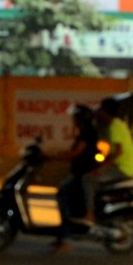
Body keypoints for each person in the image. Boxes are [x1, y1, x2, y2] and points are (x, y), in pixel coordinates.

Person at [51, 103, 103, 251]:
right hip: (79, 173)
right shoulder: (85, 132)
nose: (73, 120)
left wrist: (54, 156)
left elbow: (76, 153)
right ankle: (63, 235)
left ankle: (66, 238)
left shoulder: (87, 133)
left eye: (75, 117)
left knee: (63, 194)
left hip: (83, 174)